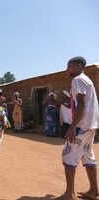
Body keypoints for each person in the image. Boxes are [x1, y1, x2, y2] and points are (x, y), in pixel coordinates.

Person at [57, 56, 99, 200]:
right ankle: (94, 191)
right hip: (91, 125)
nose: (67, 68)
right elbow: (80, 103)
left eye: (70, 65)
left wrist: (72, 127)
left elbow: (82, 104)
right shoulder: (86, 79)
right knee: (88, 156)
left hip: (81, 126)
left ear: (80, 65)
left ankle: (70, 194)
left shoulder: (77, 80)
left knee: (68, 155)